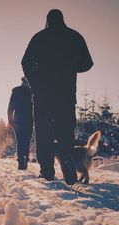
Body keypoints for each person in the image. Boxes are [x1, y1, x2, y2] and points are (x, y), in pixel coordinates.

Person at [21, 9, 93, 185]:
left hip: (43, 95)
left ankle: (47, 170)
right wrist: (70, 67)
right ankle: (67, 158)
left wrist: (35, 84)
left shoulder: (39, 37)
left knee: (43, 132)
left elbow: (25, 62)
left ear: (48, 21)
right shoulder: (74, 37)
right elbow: (88, 63)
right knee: (65, 131)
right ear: (62, 20)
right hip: (66, 94)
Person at [7, 77, 33, 170]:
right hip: (28, 120)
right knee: (26, 141)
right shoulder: (32, 92)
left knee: (20, 140)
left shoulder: (16, 91)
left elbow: (10, 107)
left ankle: (21, 160)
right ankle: (24, 159)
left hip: (17, 120)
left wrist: (10, 120)